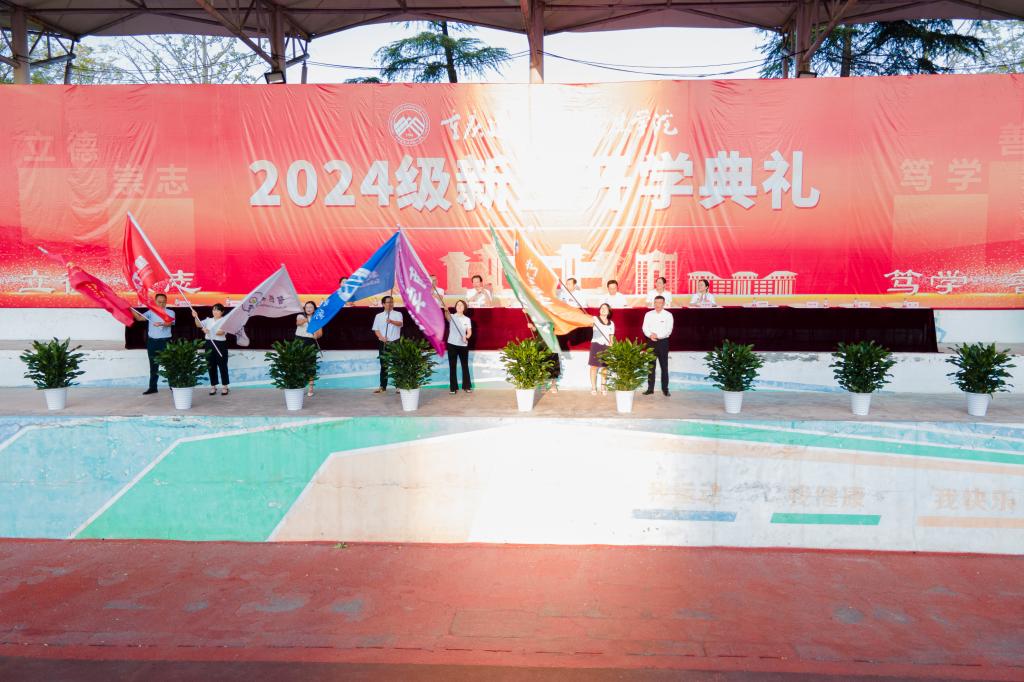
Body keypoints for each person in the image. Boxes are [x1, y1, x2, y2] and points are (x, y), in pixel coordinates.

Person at [132, 292, 175, 395]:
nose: (161, 304)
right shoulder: (151, 312)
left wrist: (161, 324)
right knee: (153, 366)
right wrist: (130, 309)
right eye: (159, 302)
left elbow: (170, 323)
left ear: (166, 302)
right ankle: (153, 387)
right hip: (152, 342)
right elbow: (139, 318)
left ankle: (173, 386)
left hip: (165, 342)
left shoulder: (170, 312)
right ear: (155, 302)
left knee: (169, 365)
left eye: (163, 302)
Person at [192, 303, 230, 395]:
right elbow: (198, 324)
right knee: (211, 365)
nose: (215, 311)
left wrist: (209, 331)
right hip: (209, 344)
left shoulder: (225, 320)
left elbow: (221, 332)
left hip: (220, 344)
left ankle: (225, 386)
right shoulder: (208, 320)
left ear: (222, 312)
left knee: (222, 365)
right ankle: (213, 386)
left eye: (217, 310)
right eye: (213, 310)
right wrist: (195, 317)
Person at [642, 295, 673, 397]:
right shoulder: (648, 314)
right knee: (651, 367)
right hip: (651, 342)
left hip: (663, 342)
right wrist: (650, 335)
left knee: (664, 367)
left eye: (660, 303)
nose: (657, 304)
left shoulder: (668, 315)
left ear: (664, 304)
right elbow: (644, 328)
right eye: (656, 302)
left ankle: (665, 389)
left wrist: (658, 336)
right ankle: (650, 389)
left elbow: (669, 330)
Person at [371, 295, 404, 393]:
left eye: (392, 302)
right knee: (384, 365)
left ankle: (398, 386)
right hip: (383, 343)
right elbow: (376, 329)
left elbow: (400, 324)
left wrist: (391, 321)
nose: (390, 304)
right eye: (388, 302)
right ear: (383, 304)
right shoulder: (379, 316)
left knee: (397, 364)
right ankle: (383, 387)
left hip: (395, 342)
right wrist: (381, 338)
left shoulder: (398, 314)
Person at [525, 315, 560, 394]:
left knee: (554, 366)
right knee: (541, 366)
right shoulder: (540, 320)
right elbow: (537, 330)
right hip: (541, 347)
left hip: (552, 347)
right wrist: (532, 327)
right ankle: (543, 384)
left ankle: (553, 385)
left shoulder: (554, 321)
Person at [296, 300, 323, 397]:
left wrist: (316, 335)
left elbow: (320, 334)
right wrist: (307, 320)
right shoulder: (300, 316)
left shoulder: (318, 319)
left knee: (310, 365)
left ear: (314, 309)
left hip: (310, 342)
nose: (309, 309)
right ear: (304, 309)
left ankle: (311, 387)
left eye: (311, 307)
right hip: (299, 341)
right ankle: (300, 386)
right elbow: (298, 323)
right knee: (299, 364)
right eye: (307, 307)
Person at [444, 299, 473, 394]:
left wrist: (466, 337)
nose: (459, 306)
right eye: (458, 305)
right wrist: (446, 310)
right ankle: (453, 388)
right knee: (452, 366)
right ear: (455, 307)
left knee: (465, 366)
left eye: (461, 305)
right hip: (452, 344)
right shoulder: (452, 316)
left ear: (464, 307)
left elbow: (469, 332)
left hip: (463, 345)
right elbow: (447, 317)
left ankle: (467, 386)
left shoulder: (467, 319)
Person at [589, 303, 615, 396]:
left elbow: (611, 336)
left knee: (605, 367)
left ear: (609, 311)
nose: (603, 309)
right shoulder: (594, 319)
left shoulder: (611, 323)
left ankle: (603, 387)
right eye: (602, 308)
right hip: (596, 344)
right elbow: (587, 324)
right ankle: (593, 387)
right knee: (594, 367)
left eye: (605, 308)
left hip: (606, 346)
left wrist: (611, 344)